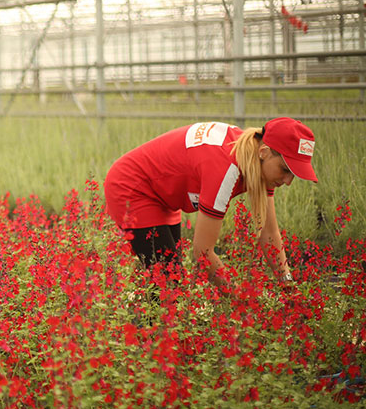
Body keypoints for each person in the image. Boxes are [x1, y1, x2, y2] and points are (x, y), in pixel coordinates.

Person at [104, 117, 317, 284]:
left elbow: (269, 233)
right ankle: (139, 334)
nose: (288, 181)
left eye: (293, 175)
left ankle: (144, 325)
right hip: (132, 187)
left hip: (163, 192)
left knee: (166, 278)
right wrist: (243, 302)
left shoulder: (256, 160)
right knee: (168, 285)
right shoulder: (226, 168)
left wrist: (286, 283)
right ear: (264, 152)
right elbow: (203, 252)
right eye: (285, 170)